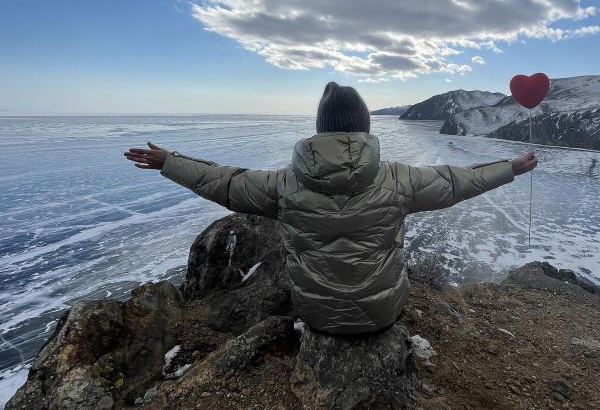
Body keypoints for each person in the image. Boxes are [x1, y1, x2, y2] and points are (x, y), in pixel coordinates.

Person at [124, 82, 537, 335]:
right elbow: (457, 181)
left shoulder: (285, 183)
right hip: (383, 314)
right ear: (365, 128)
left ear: (321, 129)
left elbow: (225, 183)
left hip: (317, 314)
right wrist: (511, 168)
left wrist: (171, 162)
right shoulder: (399, 180)